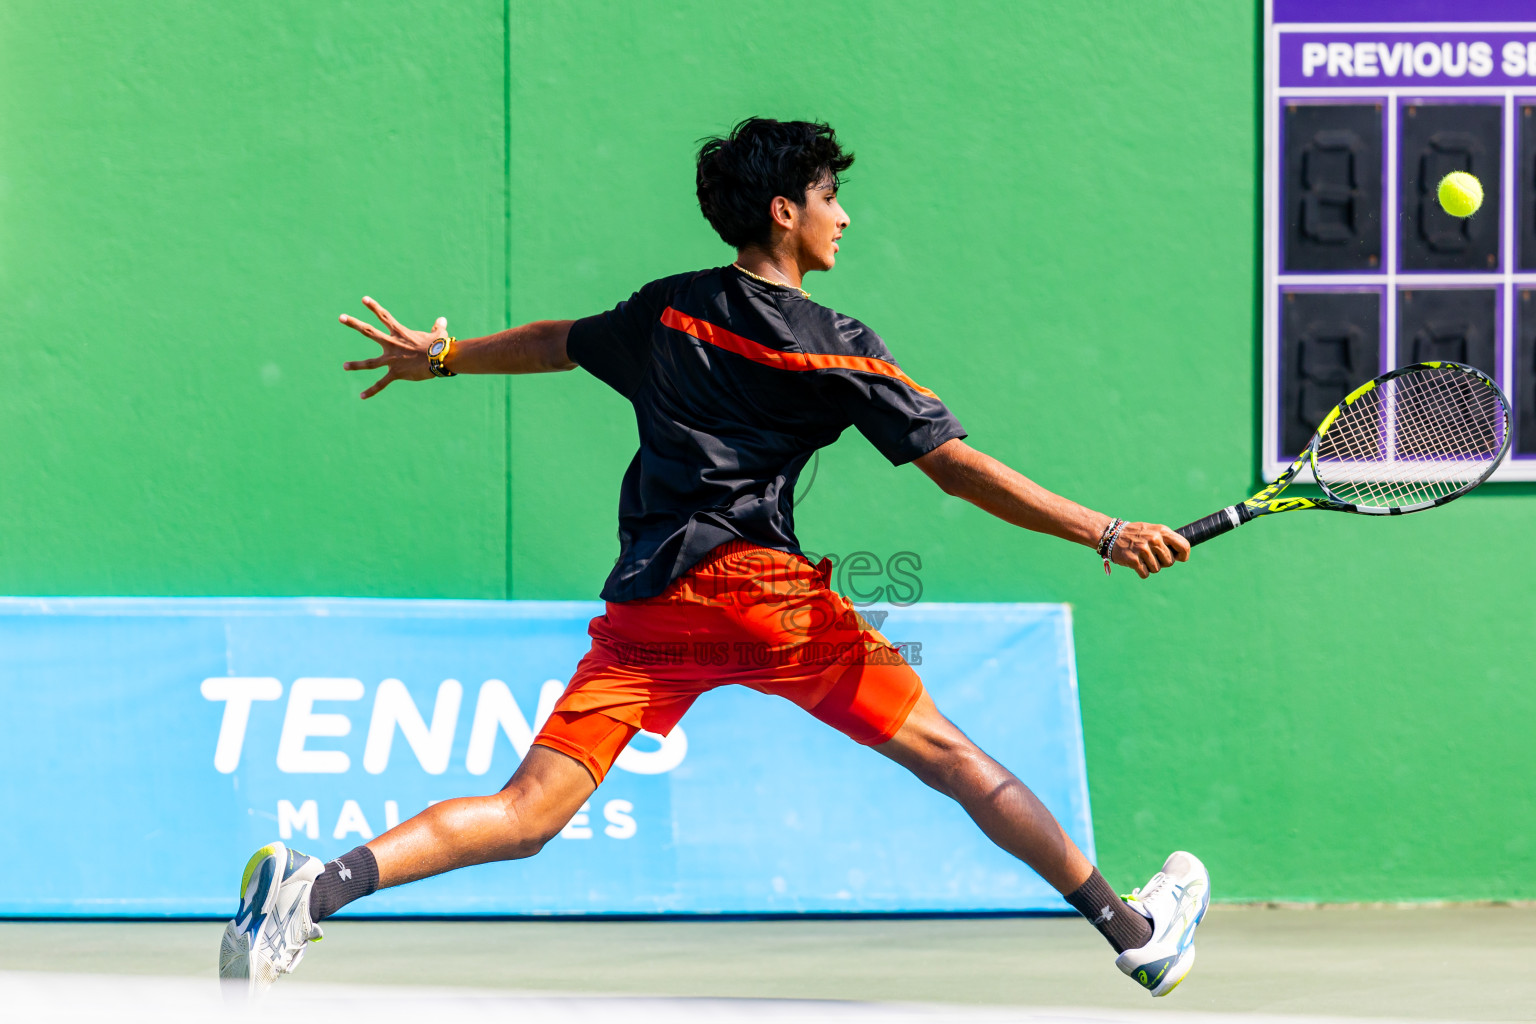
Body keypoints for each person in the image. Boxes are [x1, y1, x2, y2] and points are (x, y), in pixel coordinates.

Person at [218, 117, 1208, 999]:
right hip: (761, 597)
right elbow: (954, 470)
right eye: (831, 199)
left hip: (654, 606)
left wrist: (443, 357)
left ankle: (314, 887)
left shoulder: (666, 310)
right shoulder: (837, 347)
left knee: (526, 813)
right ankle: (1134, 936)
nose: (846, 220)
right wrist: (1107, 530)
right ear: (785, 212)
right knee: (952, 757)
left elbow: (560, 341)